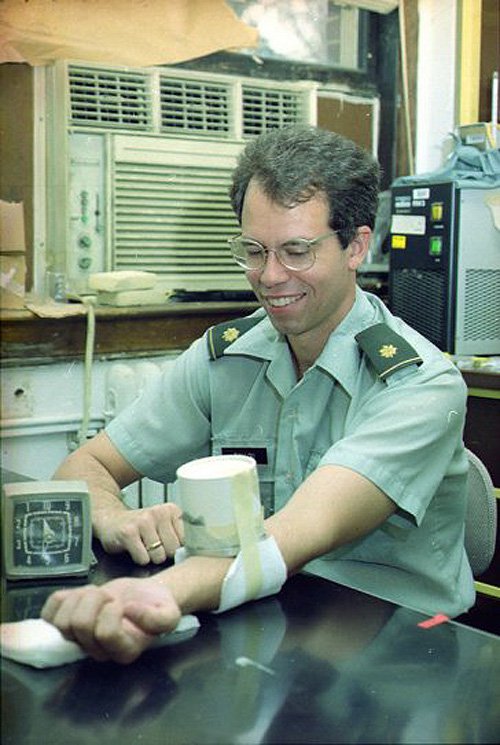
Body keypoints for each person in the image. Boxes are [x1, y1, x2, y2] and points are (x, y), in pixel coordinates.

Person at [41, 126, 475, 664]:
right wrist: (115, 517)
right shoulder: (227, 354)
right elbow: (85, 466)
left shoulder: (419, 384)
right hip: (270, 621)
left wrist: (160, 593)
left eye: (296, 251)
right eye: (253, 250)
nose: (270, 276)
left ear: (356, 246)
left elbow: (294, 536)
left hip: (401, 650)